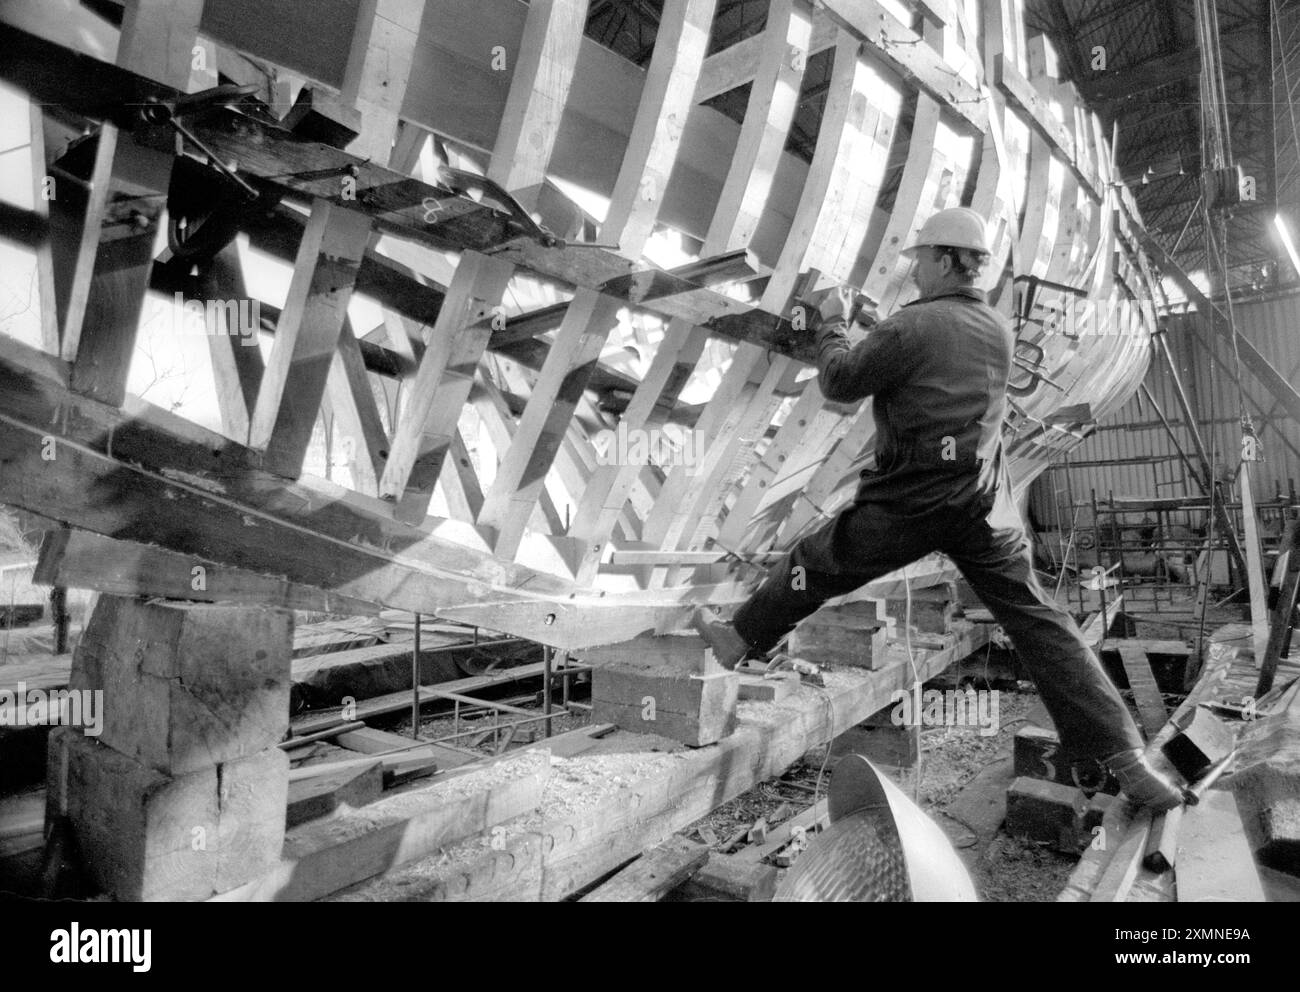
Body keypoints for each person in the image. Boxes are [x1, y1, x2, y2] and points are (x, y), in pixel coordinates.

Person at [695, 206, 1184, 812]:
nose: (917, 271)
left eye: (923, 259)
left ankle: (737, 640)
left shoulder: (911, 328)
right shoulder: (996, 330)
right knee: (1041, 622)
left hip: (911, 502)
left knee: (814, 560)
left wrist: (832, 325)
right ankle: (1123, 753)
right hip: (983, 506)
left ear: (949, 258)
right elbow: (935, 365)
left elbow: (842, 381)